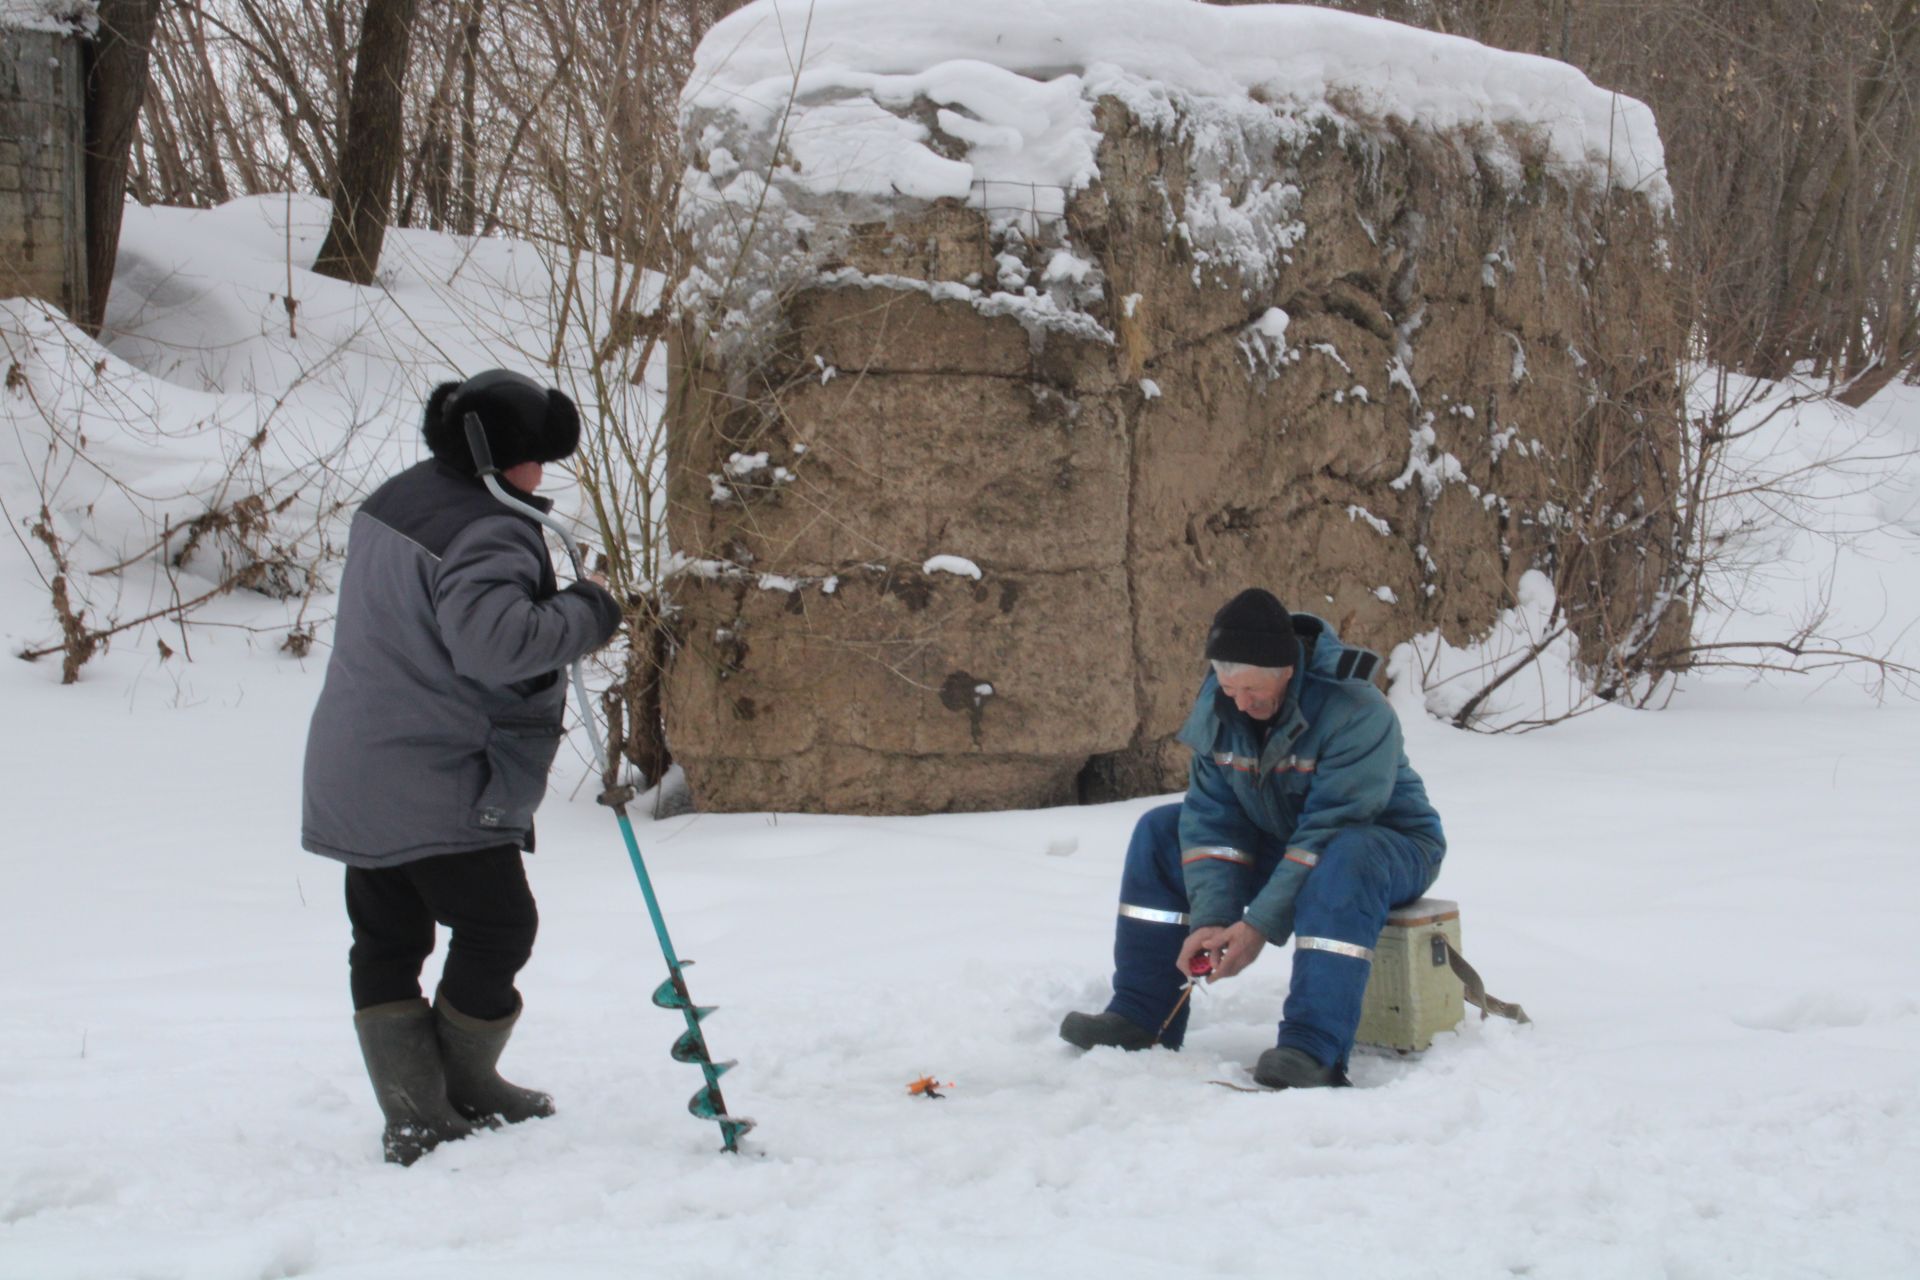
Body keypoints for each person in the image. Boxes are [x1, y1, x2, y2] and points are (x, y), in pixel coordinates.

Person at [302, 369, 623, 1164]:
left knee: (386, 938)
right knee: (499, 923)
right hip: (435, 772)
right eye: (535, 459)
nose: (541, 476)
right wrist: (589, 610)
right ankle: (456, 1089)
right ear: (496, 457)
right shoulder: (486, 529)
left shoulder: (399, 498)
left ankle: (420, 1112)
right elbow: (494, 644)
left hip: (357, 763)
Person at [1060, 588, 1445, 1088]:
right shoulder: (1220, 704)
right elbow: (1212, 818)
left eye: (1253, 692)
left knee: (1346, 857)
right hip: (1283, 839)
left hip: (1385, 845)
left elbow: (1331, 828)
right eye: (1229, 688)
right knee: (1161, 831)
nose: (1240, 703)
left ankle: (1313, 1047)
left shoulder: (1356, 707)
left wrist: (1258, 926)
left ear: (1287, 670)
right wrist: (1212, 919)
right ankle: (1141, 1015)